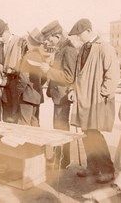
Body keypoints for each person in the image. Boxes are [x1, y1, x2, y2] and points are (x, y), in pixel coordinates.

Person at [68, 18, 120, 183]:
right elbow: (78, 73)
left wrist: (103, 92)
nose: (78, 38)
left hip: (96, 100)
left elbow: (112, 74)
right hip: (83, 99)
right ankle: (92, 167)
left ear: (89, 31)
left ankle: (108, 170)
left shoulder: (104, 48)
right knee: (87, 132)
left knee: (95, 133)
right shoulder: (83, 47)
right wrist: (72, 90)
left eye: (79, 34)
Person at [40, 20, 77, 169]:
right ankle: (60, 157)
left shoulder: (68, 50)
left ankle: (63, 160)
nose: (49, 42)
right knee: (58, 127)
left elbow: (69, 77)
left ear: (58, 35)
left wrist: (48, 71)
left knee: (61, 128)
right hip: (58, 95)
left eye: (50, 38)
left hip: (63, 96)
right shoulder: (61, 48)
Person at [0, 19, 27, 123]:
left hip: (16, 80)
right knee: (6, 105)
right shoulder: (0, 44)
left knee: (15, 109)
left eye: (1, 36)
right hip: (5, 80)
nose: (0, 39)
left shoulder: (20, 41)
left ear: (7, 31)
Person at [17, 28, 45, 126]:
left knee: (24, 123)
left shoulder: (28, 56)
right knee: (35, 122)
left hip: (27, 95)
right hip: (37, 94)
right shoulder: (41, 56)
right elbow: (45, 76)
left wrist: (18, 92)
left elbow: (23, 77)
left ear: (29, 42)